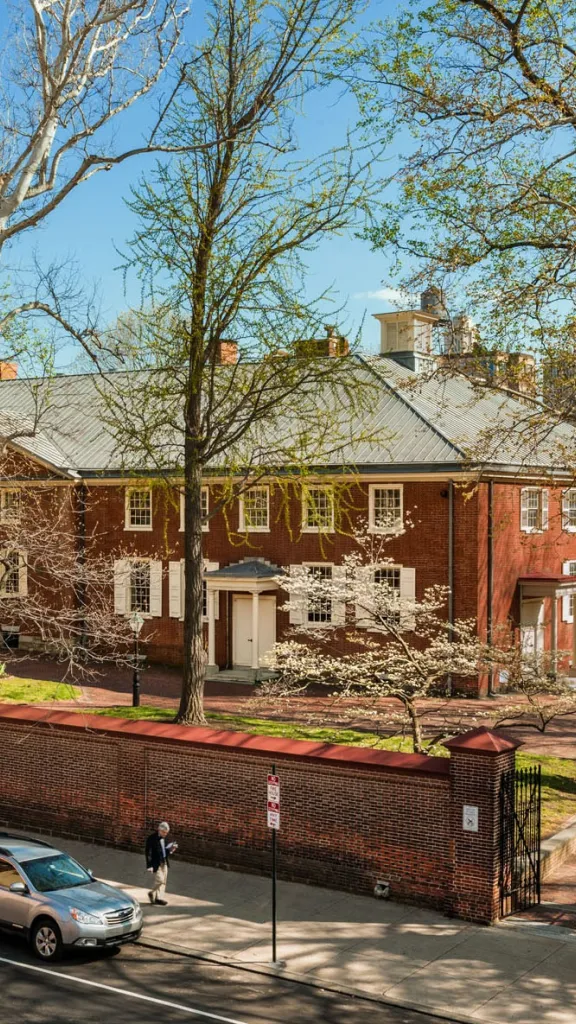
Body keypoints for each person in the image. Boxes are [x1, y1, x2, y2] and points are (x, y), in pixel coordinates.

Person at [145, 821, 178, 905]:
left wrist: (172, 849)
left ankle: (158, 898)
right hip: (156, 863)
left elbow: (166, 849)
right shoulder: (152, 838)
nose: (165, 834)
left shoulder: (167, 837)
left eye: (166, 833)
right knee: (160, 880)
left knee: (164, 882)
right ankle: (152, 893)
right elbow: (148, 852)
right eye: (163, 832)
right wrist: (149, 865)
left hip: (164, 862)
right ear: (159, 830)